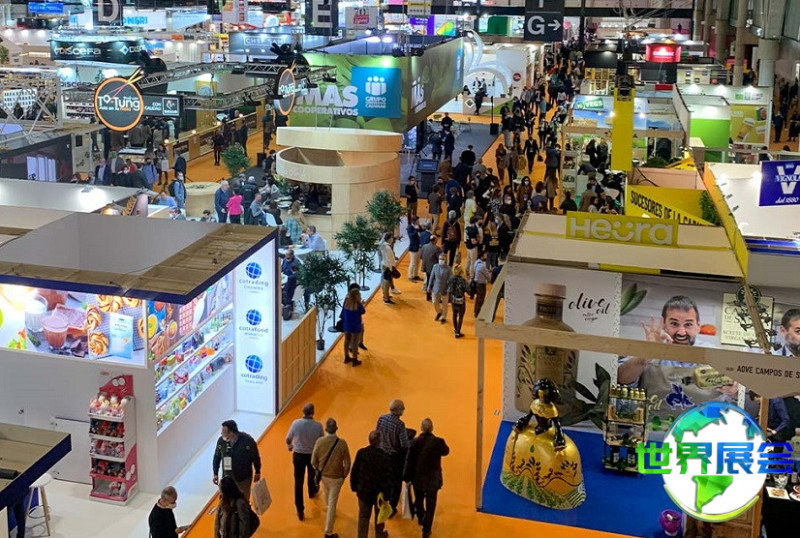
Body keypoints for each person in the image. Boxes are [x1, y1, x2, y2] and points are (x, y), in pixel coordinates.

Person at [617, 296, 739, 428]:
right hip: (654, 433)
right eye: (674, 324)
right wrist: (647, 354)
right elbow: (621, 378)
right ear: (665, 325)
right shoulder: (648, 349)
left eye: (688, 324)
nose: (681, 332)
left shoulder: (718, 357)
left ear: (698, 326)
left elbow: (739, 393)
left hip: (705, 434)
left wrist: (734, 390)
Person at [404, 419, 450, 538]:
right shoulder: (438, 442)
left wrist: (406, 477)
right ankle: (426, 529)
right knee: (431, 505)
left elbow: (409, 461)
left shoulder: (414, 442)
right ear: (432, 428)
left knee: (419, 499)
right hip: (432, 479)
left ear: (421, 428)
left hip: (418, 478)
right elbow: (446, 451)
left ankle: (420, 517)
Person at [312, 418, 351, 538]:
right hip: (337, 477)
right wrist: (344, 475)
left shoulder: (319, 442)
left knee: (326, 494)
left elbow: (313, 461)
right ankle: (328, 531)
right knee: (332, 502)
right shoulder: (342, 443)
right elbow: (347, 462)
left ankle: (329, 509)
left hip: (324, 475)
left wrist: (318, 470)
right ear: (336, 429)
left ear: (326, 429)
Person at [286, 403, 324, 521]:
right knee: (312, 475)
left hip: (298, 455)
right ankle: (312, 492)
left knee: (298, 482)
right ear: (313, 412)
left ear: (303, 411)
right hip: (312, 455)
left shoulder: (296, 423)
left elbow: (288, 439)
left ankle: (300, 510)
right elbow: (321, 441)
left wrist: (290, 446)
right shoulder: (318, 426)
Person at [351, 430, 392, 538]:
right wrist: (387, 495)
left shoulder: (361, 453)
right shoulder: (385, 457)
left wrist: (354, 487)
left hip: (364, 492)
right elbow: (387, 478)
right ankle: (379, 534)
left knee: (363, 516)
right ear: (380, 441)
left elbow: (355, 471)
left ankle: (362, 536)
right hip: (379, 494)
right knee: (380, 516)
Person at [375, 400, 411, 515]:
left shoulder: (381, 418)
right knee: (396, 482)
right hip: (394, 457)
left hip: (381, 454)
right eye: (402, 408)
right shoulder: (400, 424)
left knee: (383, 479)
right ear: (398, 410)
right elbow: (404, 444)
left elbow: (377, 434)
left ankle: (381, 501)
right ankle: (391, 507)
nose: (404, 410)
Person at [212, 420, 262, 500]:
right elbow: (217, 457)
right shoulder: (221, 442)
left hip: (243, 479)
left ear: (231, 433)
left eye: (224, 432)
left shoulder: (247, 440)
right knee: (226, 501)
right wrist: (215, 473)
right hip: (227, 479)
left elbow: (255, 456)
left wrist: (257, 471)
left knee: (243, 500)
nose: (221, 434)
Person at [342, 288, 366, 366]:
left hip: (347, 325)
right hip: (355, 326)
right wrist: (361, 303)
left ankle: (346, 356)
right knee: (355, 342)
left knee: (347, 341)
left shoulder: (346, 302)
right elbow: (363, 311)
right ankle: (355, 359)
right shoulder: (358, 305)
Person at [428, 253, 452, 325]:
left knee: (445, 304)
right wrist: (429, 287)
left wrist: (449, 289)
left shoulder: (448, 269)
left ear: (445, 260)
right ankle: (439, 312)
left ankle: (443, 317)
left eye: (442, 259)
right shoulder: (435, 266)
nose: (441, 260)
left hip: (445, 289)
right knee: (435, 302)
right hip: (436, 288)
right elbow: (432, 277)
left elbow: (450, 280)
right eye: (440, 259)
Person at [448, 265, 468, 338]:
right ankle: (458, 332)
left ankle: (456, 329)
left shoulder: (451, 278)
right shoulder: (462, 280)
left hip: (453, 300)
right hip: (460, 301)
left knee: (454, 314)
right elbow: (467, 289)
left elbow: (449, 288)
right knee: (460, 316)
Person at [379, 233, 400, 304]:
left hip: (385, 265)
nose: (392, 239)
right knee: (386, 283)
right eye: (391, 238)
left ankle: (386, 295)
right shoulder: (387, 248)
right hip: (387, 266)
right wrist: (391, 268)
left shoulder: (384, 246)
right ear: (389, 239)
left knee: (386, 282)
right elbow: (389, 259)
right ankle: (386, 299)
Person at [473, 251, 491, 318]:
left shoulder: (476, 263)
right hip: (481, 285)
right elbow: (488, 277)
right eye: (485, 255)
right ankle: (478, 313)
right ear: (482, 256)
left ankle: (476, 311)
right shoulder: (482, 266)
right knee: (481, 299)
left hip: (476, 283)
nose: (486, 256)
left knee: (478, 298)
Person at [407, 216, 422, 281]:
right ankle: (410, 276)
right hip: (413, 247)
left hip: (419, 246)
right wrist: (416, 230)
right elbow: (411, 236)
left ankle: (415, 275)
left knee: (417, 262)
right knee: (413, 262)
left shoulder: (419, 226)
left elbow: (422, 232)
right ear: (414, 221)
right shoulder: (410, 227)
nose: (419, 222)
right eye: (418, 220)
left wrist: (420, 228)